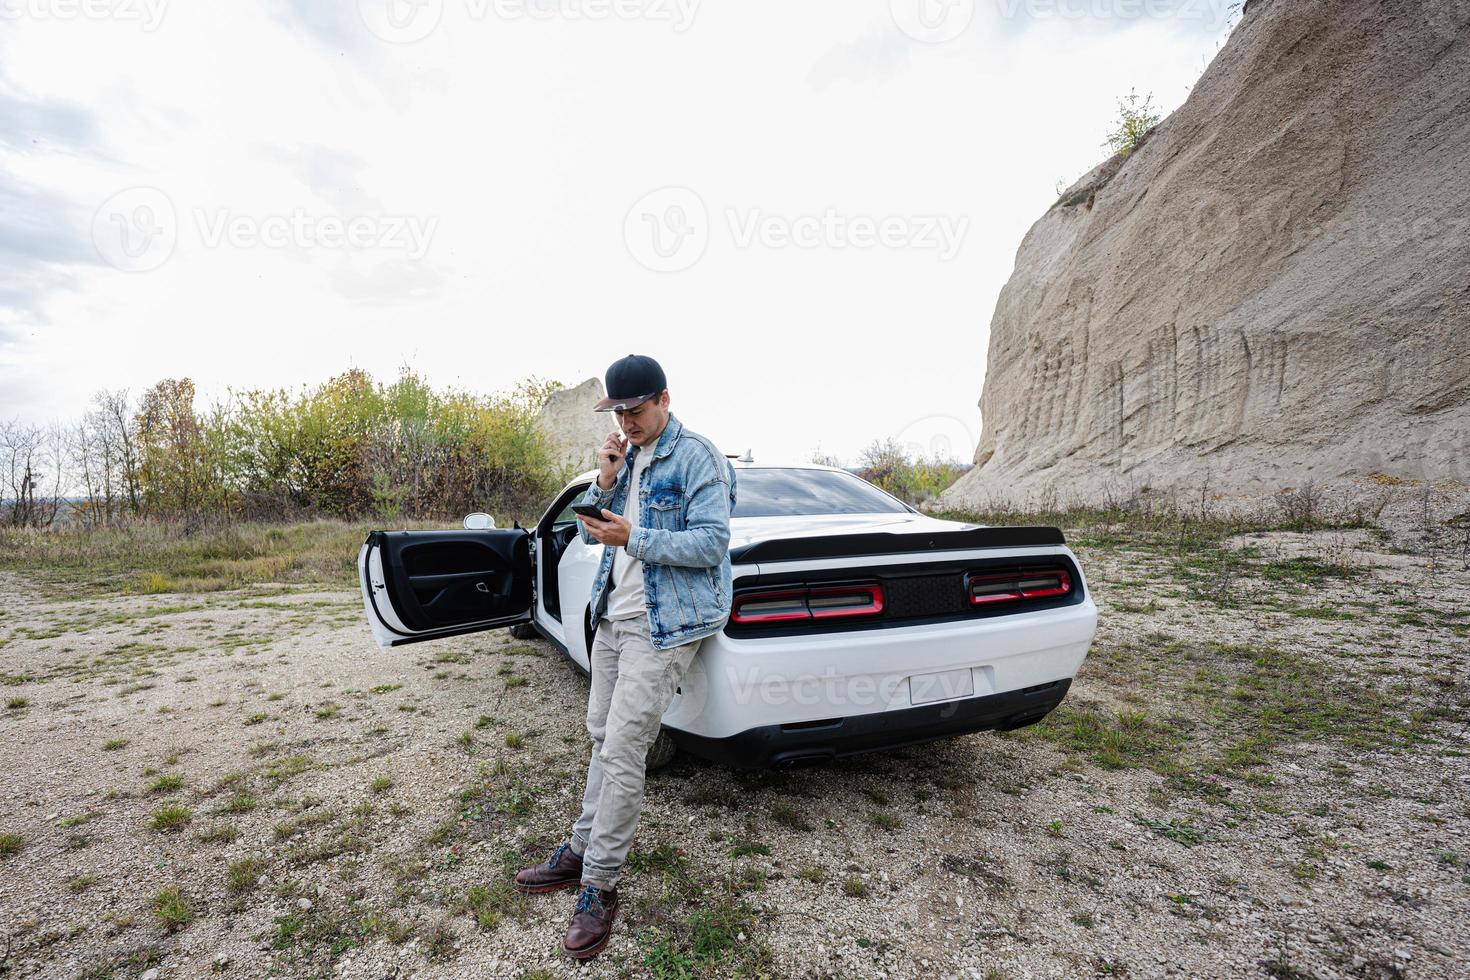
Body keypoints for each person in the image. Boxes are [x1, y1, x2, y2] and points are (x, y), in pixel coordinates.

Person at [512, 353, 737, 960]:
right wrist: (605, 481)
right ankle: (582, 848)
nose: (627, 422)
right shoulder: (628, 455)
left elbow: (713, 543)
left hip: (663, 626)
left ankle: (599, 886)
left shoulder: (698, 457)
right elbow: (591, 532)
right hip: (613, 618)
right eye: (618, 412)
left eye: (636, 410)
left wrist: (632, 535)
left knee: (622, 748)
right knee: (599, 736)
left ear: (665, 399)